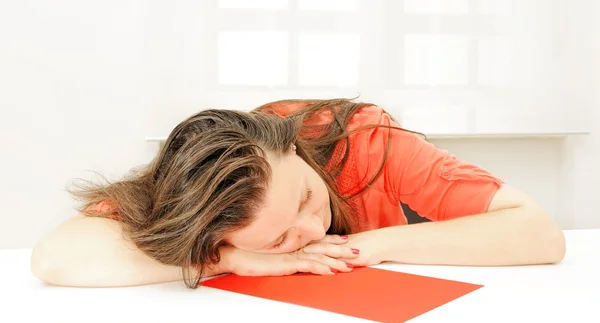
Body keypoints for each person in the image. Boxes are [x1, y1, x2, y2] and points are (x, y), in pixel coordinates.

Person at [30, 98, 566, 288]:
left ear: (293, 146)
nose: (312, 233)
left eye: (308, 201)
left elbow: (539, 235)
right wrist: (232, 260)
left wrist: (364, 246)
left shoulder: (365, 139)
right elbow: (55, 260)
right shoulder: (197, 195)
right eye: (280, 237)